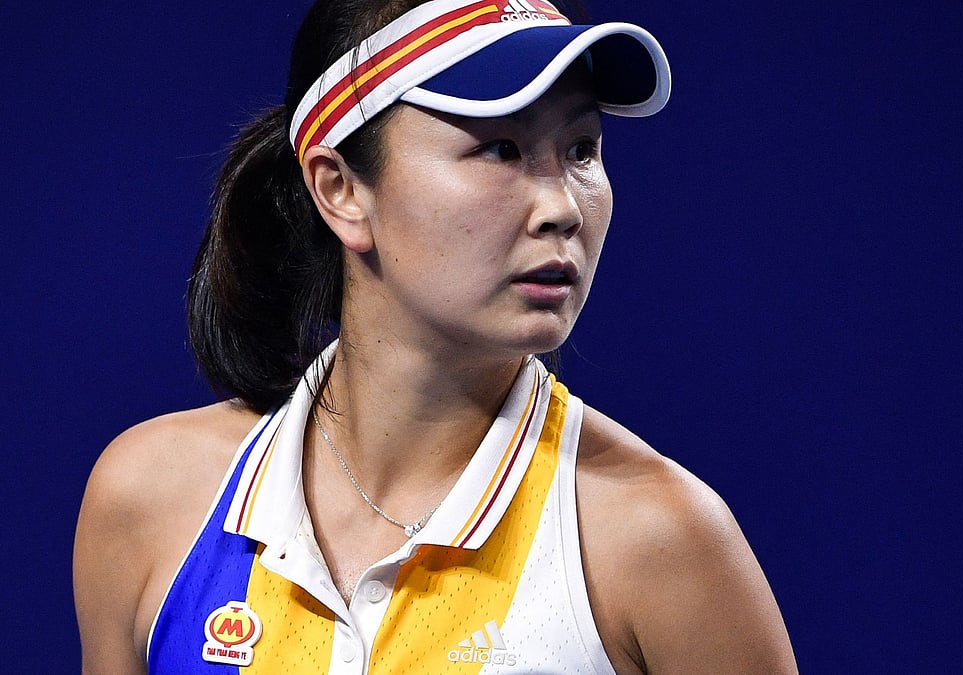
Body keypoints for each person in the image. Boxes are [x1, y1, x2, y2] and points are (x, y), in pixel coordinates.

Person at [74, 0, 797, 672]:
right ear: (340, 189)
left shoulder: (663, 544)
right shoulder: (147, 500)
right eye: (501, 149)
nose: (561, 208)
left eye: (581, 149)